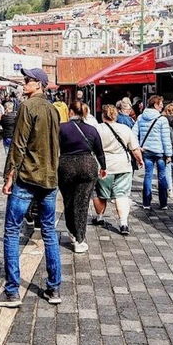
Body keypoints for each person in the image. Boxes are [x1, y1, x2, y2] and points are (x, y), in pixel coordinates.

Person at [0, 68, 62, 308]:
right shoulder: (53, 109)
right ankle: (54, 288)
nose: (24, 83)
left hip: (27, 177)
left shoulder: (27, 107)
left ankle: (12, 291)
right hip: (50, 179)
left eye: (28, 80)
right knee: (49, 233)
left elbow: (18, 145)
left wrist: (9, 176)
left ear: (39, 85)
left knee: (11, 231)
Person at [58, 101, 105, 253]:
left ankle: (72, 231)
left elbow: (54, 148)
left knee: (69, 201)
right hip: (87, 165)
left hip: (66, 166)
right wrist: (104, 167)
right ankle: (79, 238)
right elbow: (99, 151)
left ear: (70, 112)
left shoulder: (61, 128)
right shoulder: (91, 129)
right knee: (82, 203)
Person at [94, 105, 142, 235]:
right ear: (116, 115)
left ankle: (99, 218)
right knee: (122, 195)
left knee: (100, 194)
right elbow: (135, 149)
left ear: (102, 115)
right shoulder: (125, 129)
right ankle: (123, 223)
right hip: (123, 166)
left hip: (103, 166)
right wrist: (139, 160)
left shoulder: (97, 129)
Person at [133, 95, 172, 210]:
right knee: (162, 177)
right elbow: (166, 139)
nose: (162, 106)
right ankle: (163, 203)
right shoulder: (162, 119)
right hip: (160, 153)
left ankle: (146, 203)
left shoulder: (141, 117)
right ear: (155, 105)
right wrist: (169, 154)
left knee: (148, 176)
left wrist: (138, 147)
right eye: (160, 104)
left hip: (146, 151)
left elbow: (133, 133)